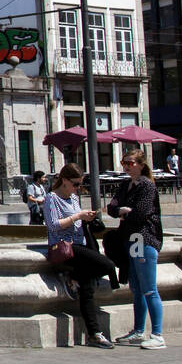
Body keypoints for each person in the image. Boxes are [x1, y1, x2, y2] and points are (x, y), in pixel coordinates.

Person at [44, 162, 119, 349]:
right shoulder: (51, 198)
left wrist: (88, 218)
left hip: (80, 246)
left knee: (87, 291)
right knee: (108, 265)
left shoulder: (74, 199)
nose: (78, 188)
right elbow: (53, 225)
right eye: (76, 184)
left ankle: (94, 334)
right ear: (64, 181)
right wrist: (77, 217)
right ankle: (75, 276)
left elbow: (78, 222)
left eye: (80, 184)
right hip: (65, 247)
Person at [109, 150, 165, 350]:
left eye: (130, 163)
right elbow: (111, 207)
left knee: (149, 288)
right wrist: (122, 211)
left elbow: (141, 214)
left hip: (143, 238)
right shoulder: (126, 185)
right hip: (131, 238)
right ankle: (138, 330)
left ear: (141, 164)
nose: (126, 166)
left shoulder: (147, 186)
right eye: (124, 162)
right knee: (137, 288)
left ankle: (157, 334)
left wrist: (124, 212)